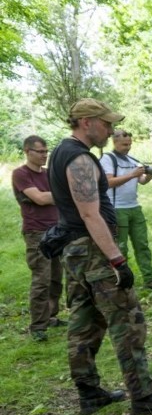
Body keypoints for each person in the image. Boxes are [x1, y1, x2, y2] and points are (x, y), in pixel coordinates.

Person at [48, 98, 152, 415]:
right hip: (93, 251)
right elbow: (89, 213)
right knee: (126, 318)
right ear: (86, 122)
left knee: (84, 320)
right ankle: (143, 396)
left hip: (75, 249)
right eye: (106, 123)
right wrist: (117, 260)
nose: (110, 129)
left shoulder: (61, 152)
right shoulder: (79, 158)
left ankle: (90, 392)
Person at [12, 135, 64, 341]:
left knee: (56, 278)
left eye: (45, 151)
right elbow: (40, 199)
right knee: (41, 280)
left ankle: (51, 316)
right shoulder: (20, 174)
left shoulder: (48, 173)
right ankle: (38, 326)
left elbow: (50, 195)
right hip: (36, 232)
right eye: (40, 151)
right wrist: (62, 193)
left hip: (57, 230)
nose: (44, 155)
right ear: (27, 151)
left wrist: (57, 193)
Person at [100, 129, 152, 290]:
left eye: (129, 144)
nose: (127, 147)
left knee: (142, 245)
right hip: (116, 208)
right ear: (114, 142)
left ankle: (150, 280)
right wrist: (132, 174)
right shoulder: (108, 159)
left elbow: (141, 180)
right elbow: (108, 182)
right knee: (121, 247)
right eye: (124, 144)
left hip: (134, 207)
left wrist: (150, 174)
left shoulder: (132, 159)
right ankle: (123, 282)